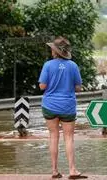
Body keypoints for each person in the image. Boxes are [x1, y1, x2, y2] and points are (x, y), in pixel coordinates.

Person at [38, 36, 87, 179]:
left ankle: (54, 171)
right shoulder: (73, 66)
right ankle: (72, 170)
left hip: (50, 105)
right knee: (69, 137)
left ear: (55, 51)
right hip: (67, 106)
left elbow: (42, 86)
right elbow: (78, 88)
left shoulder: (48, 65)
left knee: (53, 136)